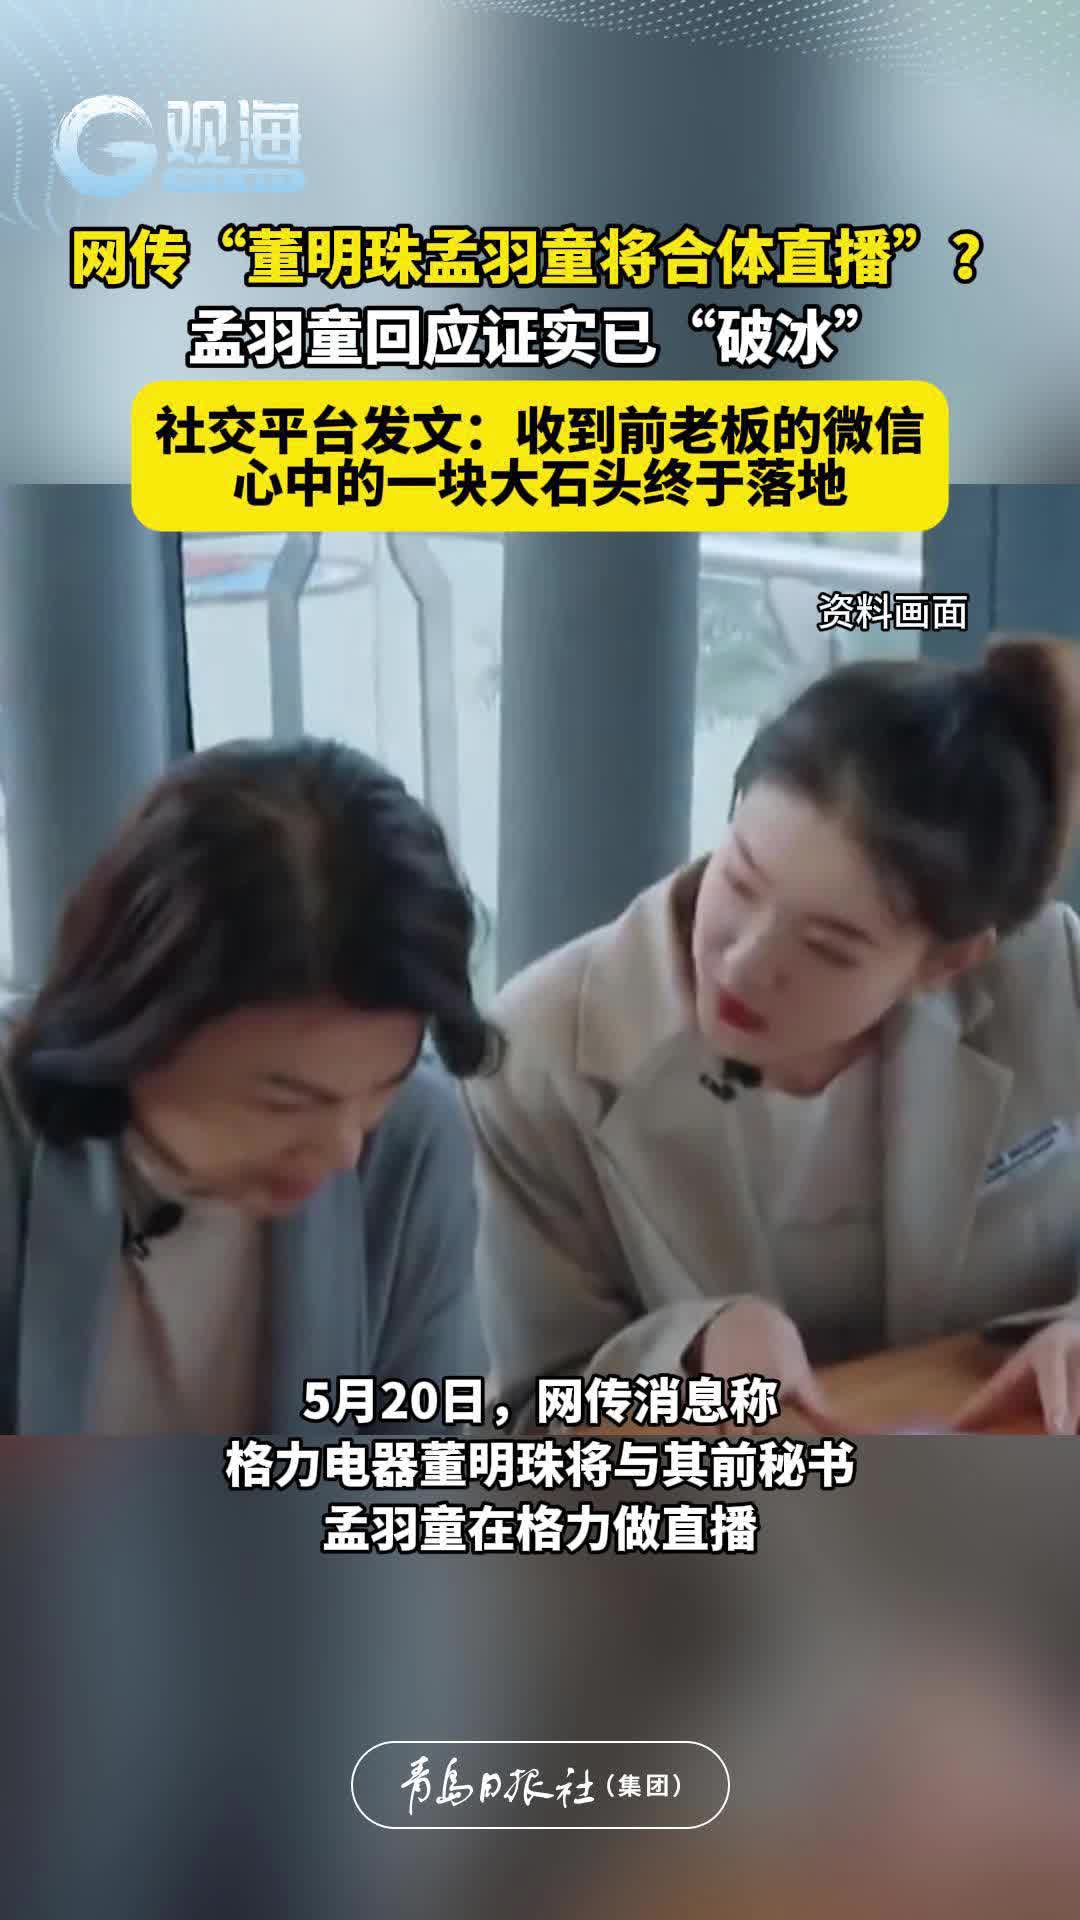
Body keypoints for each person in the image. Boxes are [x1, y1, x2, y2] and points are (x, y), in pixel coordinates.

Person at [465, 634, 1080, 1434]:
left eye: (829, 947)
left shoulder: (1050, 977)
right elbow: (523, 1418)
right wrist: (688, 1353)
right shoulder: (534, 1058)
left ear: (947, 962)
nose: (745, 963)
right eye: (741, 879)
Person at [0, 738, 500, 1434]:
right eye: (285, 1101)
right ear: (138, 1025)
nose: (343, 1149)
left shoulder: (411, 1145)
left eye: (382, 1086)